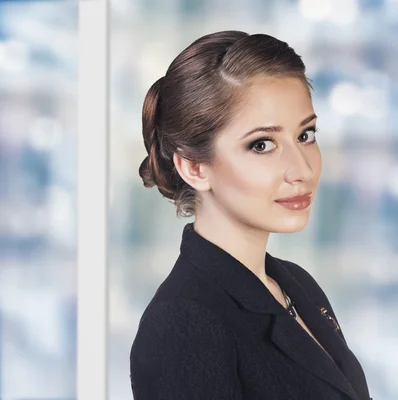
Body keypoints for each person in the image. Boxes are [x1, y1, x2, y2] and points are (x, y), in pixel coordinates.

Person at [129, 30, 372, 400]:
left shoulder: (296, 284)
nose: (301, 169)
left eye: (306, 135)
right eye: (262, 144)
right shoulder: (184, 323)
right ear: (194, 168)